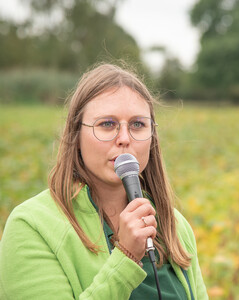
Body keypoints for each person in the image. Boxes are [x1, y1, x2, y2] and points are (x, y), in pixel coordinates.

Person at [0, 63, 208, 300]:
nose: (124, 139)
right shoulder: (31, 225)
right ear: (76, 135)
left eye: (138, 124)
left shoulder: (176, 227)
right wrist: (126, 257)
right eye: (107, 124)